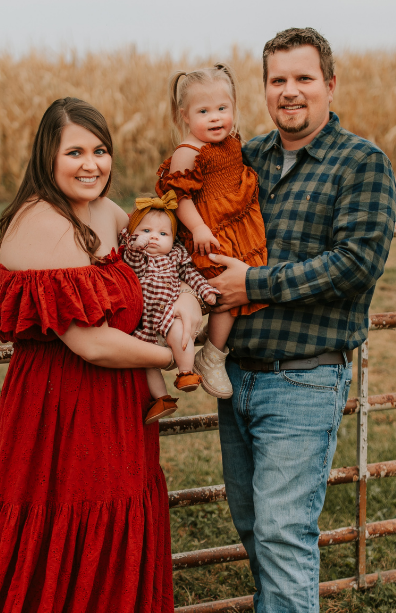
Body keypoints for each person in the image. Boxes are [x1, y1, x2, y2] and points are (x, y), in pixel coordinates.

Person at [0, 97, 200, 613]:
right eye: (74, 152)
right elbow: (92, 344)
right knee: (69, 525)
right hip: (63, 408)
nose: (91, 164)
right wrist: (175, 357)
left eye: (100, 150)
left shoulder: (106, 212)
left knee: (117, 515)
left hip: (118, 404)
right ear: (47, 157)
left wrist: (187, 303)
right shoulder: (41, 225)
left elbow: (162, 261)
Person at [199, 27, 396, 613]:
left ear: (329, 85)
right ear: (264, 89)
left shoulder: (360, 163)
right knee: (255, 524)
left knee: (284, 529)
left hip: (304, 376)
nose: (290, 91)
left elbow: (357, 263)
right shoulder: (244, 158)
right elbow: (189, 199)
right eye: (278, 80)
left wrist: (254, 283)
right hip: (238, 372)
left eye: (303, 78)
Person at [155, 63, 269, 400]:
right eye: (203, 111)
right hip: (210, 233)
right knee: (221, 295)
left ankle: (199, 344)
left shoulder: (229, 142)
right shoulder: (187, 152)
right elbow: (178, 197)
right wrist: (198, 227)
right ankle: (211, 355)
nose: (216, 118)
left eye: (223, 108)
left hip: (235, 231)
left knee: (235, 288)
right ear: (185, 116)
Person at [118, 193, 220, 425]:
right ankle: (162, 399)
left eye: (163, 234)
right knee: (147, 363)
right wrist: (136, 247)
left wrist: (205, 291)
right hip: (141, 322)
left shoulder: (175, 255)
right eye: (146, 231)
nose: (154, 237)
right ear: (132, 234)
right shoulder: (134, 256)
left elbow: (191, 275)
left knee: (180, 333)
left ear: (173, 239)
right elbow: (133, 264)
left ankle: (186, 373)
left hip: (167, 313)